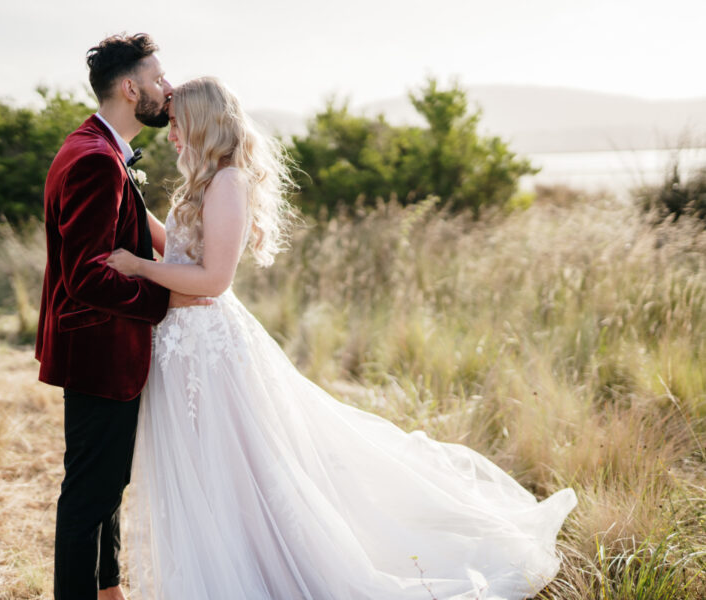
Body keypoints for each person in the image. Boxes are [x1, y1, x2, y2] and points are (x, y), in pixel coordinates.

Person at [105, 76, 578, 600]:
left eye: (176, 123)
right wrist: (133, 211)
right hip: (184, 347)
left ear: (200, 122)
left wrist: (138, 269)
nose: (170, 134)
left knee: (243, 470)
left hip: (212, 350)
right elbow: (185, 253)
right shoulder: (206, 181)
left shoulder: (228, 183)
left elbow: (214, 280)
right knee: (208, 471)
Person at [35, 34, 208, 600]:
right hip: (99, 353)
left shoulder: (97, 147)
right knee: (90, 496)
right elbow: (85, 276)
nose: (168, 88)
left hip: (99, 350)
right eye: (159, 79)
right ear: (130, 88)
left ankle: (110, 594)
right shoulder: (93, 160)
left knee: (105, 487)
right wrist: (167, 301)